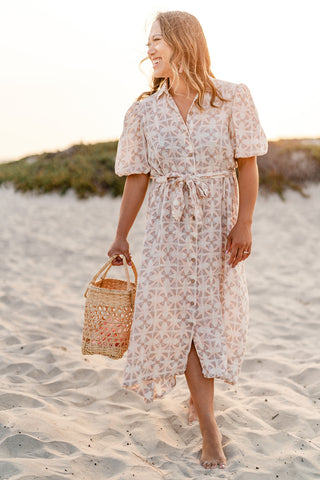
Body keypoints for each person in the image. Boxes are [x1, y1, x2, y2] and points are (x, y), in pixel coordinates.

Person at [108, 10, 268, 470]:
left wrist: (245, 223)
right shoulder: (143, 112)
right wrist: (121, 235)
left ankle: (204, 410)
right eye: (148, 44)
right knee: (179, 315)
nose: (149, 50)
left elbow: (248, 163)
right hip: (167, 228)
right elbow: (137, 179)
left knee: (209, 315)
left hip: (219, 225)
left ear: (183, 41)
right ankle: (209, 427)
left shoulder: (232, 98)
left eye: (156, 40)